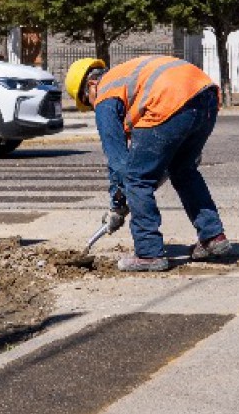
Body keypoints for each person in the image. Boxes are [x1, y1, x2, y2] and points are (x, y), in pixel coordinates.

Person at [68, 54, 229, 272]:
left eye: (89, 103)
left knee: (136, 178)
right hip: (205, 94)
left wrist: (117, 206)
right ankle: (213, 237)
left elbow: (119, 162)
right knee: (183, 169)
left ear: (91, 85)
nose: (94, 108)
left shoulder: (105, 93)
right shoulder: (125, 77)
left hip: (169, 99)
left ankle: (148, 253)